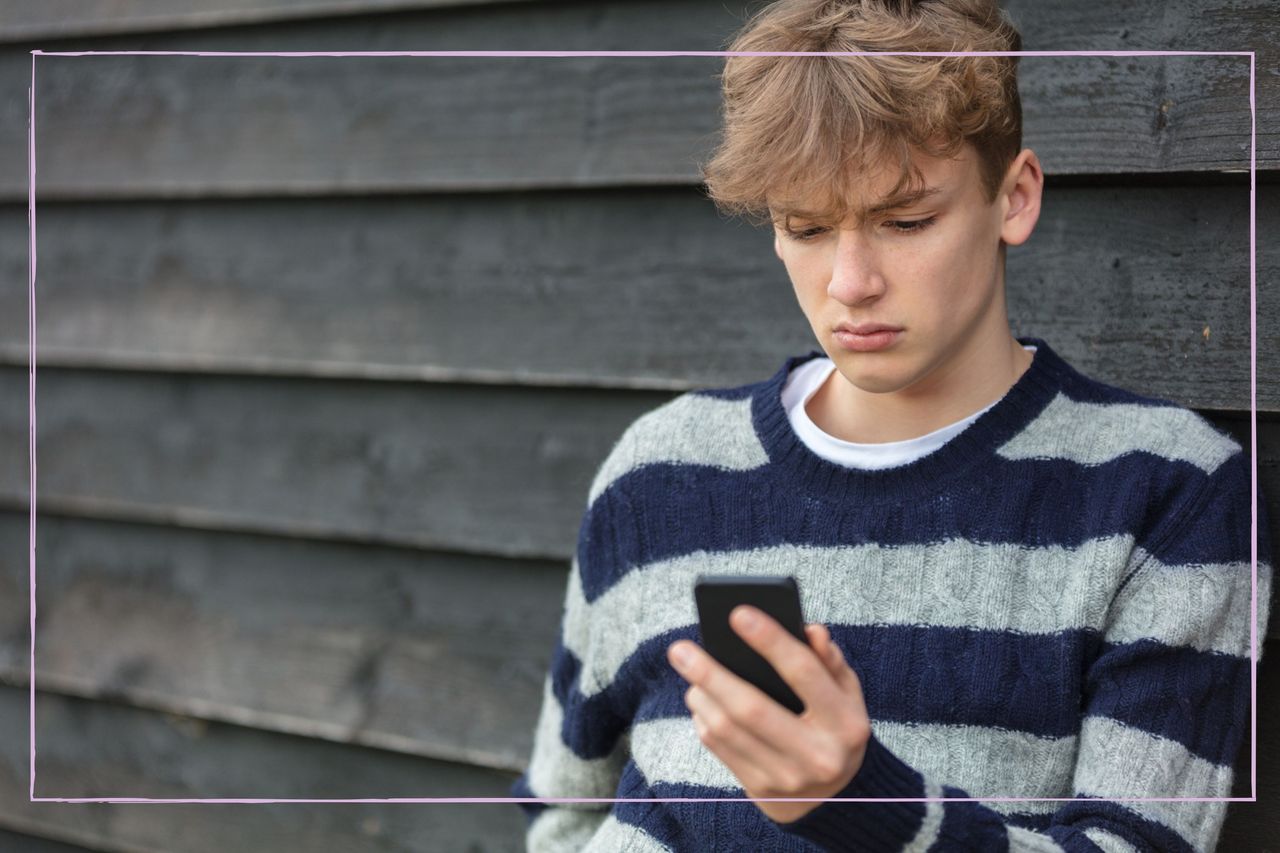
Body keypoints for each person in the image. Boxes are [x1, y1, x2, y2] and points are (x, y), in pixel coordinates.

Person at [509, 0, 1272, 850]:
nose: (850, 281)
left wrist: (861, 799)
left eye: (905, 220)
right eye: (804, 226)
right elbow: (561, 812)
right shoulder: (659, 470)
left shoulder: (1168, 493)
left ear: (1013, 197)